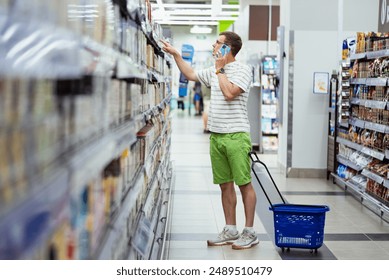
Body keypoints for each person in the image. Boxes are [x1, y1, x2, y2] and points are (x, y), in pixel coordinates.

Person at [161, 31, 258, 250]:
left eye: (218, 43)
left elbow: (230, 93)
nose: (214, 45)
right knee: (225, 185)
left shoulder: (243, 70)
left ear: (228, 48)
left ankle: (250, 231)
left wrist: (220, 68)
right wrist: (177, 55)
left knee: (244, 184)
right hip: (216, 135)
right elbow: (192, 74)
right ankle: (230, 229)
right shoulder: (213, 71)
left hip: (236, 135)